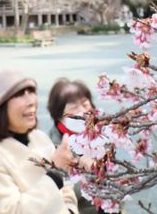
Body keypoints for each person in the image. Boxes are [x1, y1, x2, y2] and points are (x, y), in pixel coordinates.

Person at [0, 69, 78, 214]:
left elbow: (66, 189)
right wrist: (55, 175)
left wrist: (70, 210)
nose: (32, 101)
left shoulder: (40, 137)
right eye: (20, 94)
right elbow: (12, 210)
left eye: (31, 92)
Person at [47, 79, 102, 214]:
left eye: (85, 104)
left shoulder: (101, 135)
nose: (82, 111)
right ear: (58, 116)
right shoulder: (53, 148)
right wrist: (87, 173)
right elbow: (55, 195)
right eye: (73, 108)